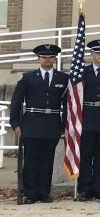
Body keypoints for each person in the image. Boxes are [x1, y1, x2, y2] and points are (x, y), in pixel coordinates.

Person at [12, 44, 68, 203]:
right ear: (38, 59)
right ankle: (29, 193)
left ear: (55, 59)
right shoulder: (28, 78)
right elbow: (16, 102)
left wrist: (63, 126)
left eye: (50, 57)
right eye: (44, 57)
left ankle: (44, 192)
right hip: (31, 124)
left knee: (47, 160)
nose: (47, 60)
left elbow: (68, 105)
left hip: (52, 124)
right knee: (31, 160)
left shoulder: (63, 78)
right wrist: (15, 123)